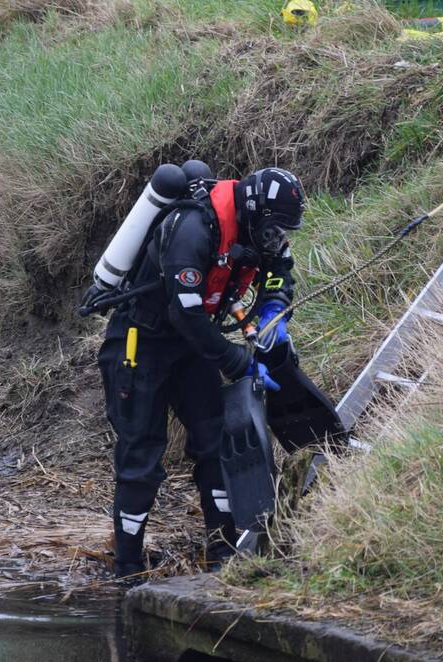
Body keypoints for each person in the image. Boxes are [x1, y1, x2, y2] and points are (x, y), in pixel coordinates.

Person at [93, 167, 306, 578]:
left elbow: (281, 271)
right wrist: (237, 361)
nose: (277, 239)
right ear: (254, 213)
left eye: (283, 231)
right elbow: (184, 312)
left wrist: (273, 310)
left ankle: (222, 554)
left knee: (214, 443)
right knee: (142, 455)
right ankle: (127, 568)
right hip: (142, 342)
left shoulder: (258, 229)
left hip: (195, 345)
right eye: (274, 229)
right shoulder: (193, 228)